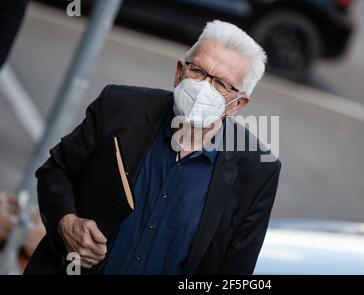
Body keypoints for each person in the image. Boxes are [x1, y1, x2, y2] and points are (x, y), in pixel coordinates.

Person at [24, 20, 281, 275]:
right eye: (198, 71)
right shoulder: (120, 107)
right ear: (179, 72)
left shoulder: (258, 171)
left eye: (221, 84)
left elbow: (235, 269)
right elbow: (56, 170)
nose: (203, 88)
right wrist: (66, 222)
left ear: (237, 105)